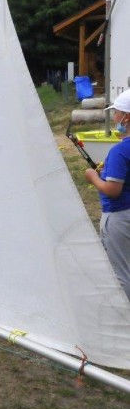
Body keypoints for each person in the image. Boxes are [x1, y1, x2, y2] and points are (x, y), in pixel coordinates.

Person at [85, 88, 130, 301]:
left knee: (119, 274)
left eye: (117, 113)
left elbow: (113, 190)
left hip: (119, 216)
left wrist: (94, 178)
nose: (114, 118)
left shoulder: (120, 151)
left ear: (126, 117)